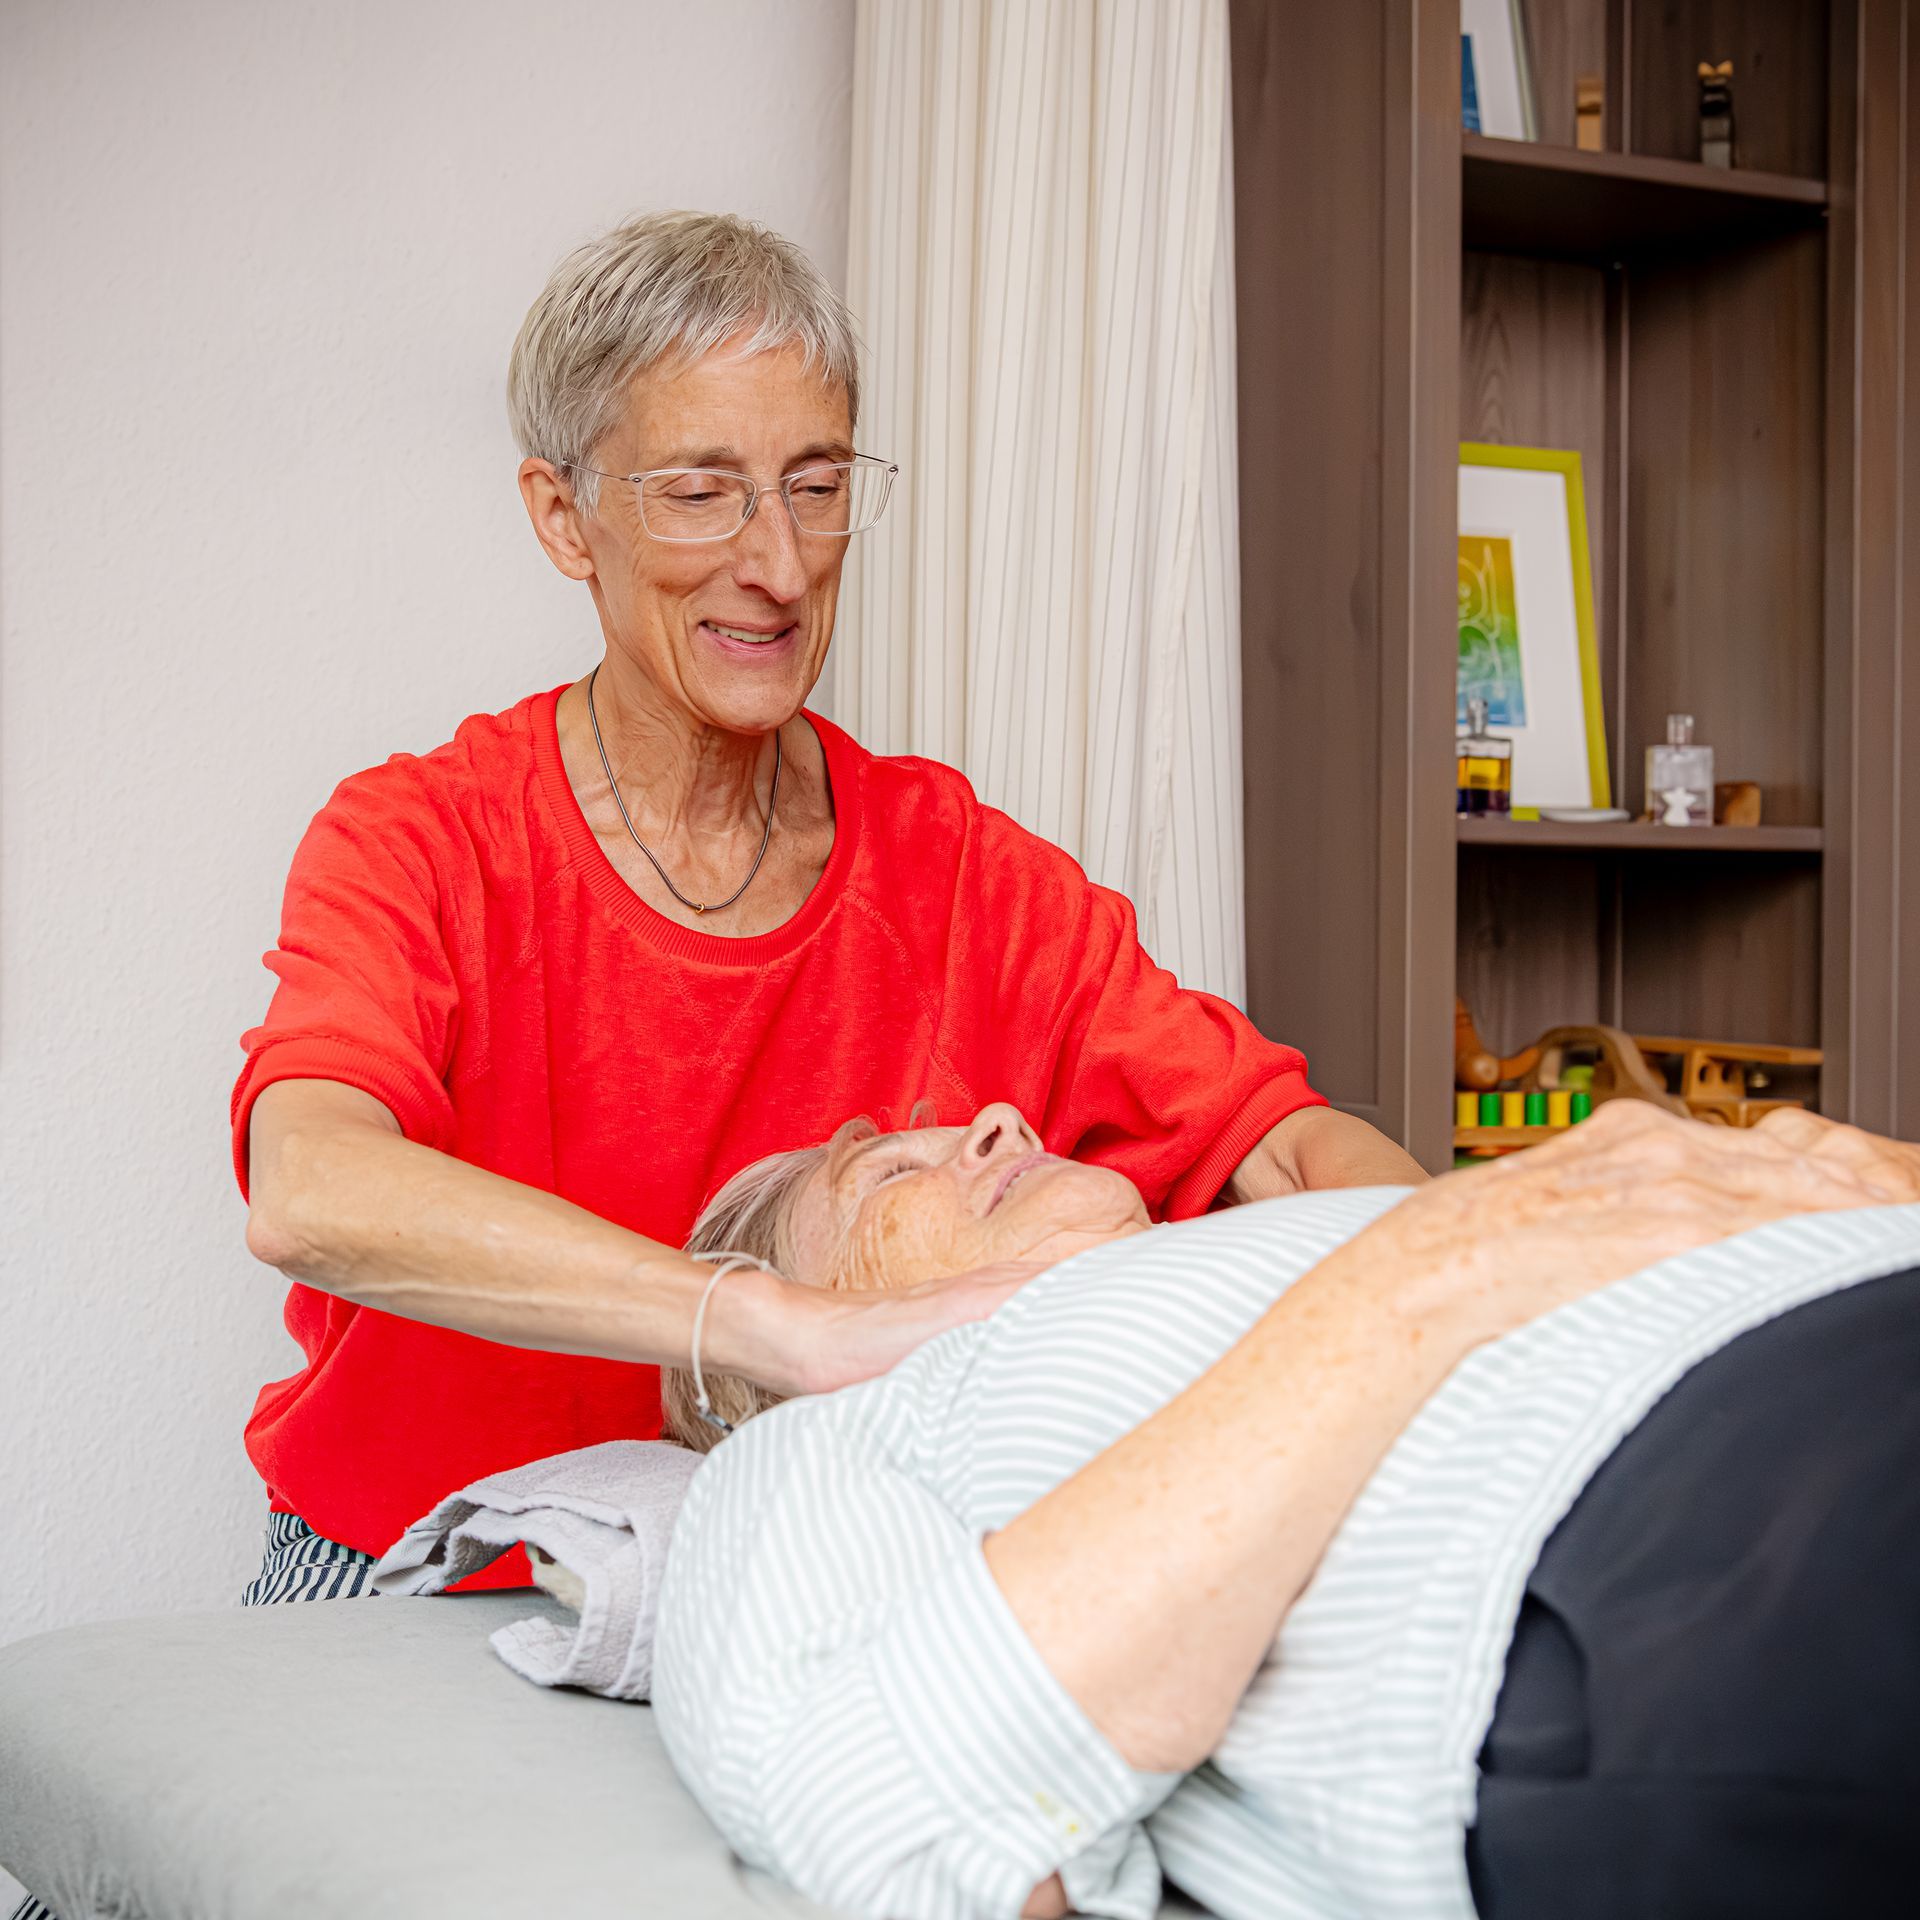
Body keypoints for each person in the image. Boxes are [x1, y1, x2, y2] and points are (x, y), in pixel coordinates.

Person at [231, 209, 1422, 1600]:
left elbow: (1295, 1155)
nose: (782, 566)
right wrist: (777, 1328)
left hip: (779, 1589)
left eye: (815, 485)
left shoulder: (964, 874)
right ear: (564, 517)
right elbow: (310, 1189)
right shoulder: (423, 839)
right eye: (701, 493)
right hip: (410, 1570)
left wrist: (1475, 1314)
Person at [651, 1100, 1920, 1920]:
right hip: (1703, 1523)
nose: (995, 1118)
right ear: (788, 1339)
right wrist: (1451, 1252)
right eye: (889, 1174)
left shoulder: (1261, 1246)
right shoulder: (830, 1430)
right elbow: (889, 1806)